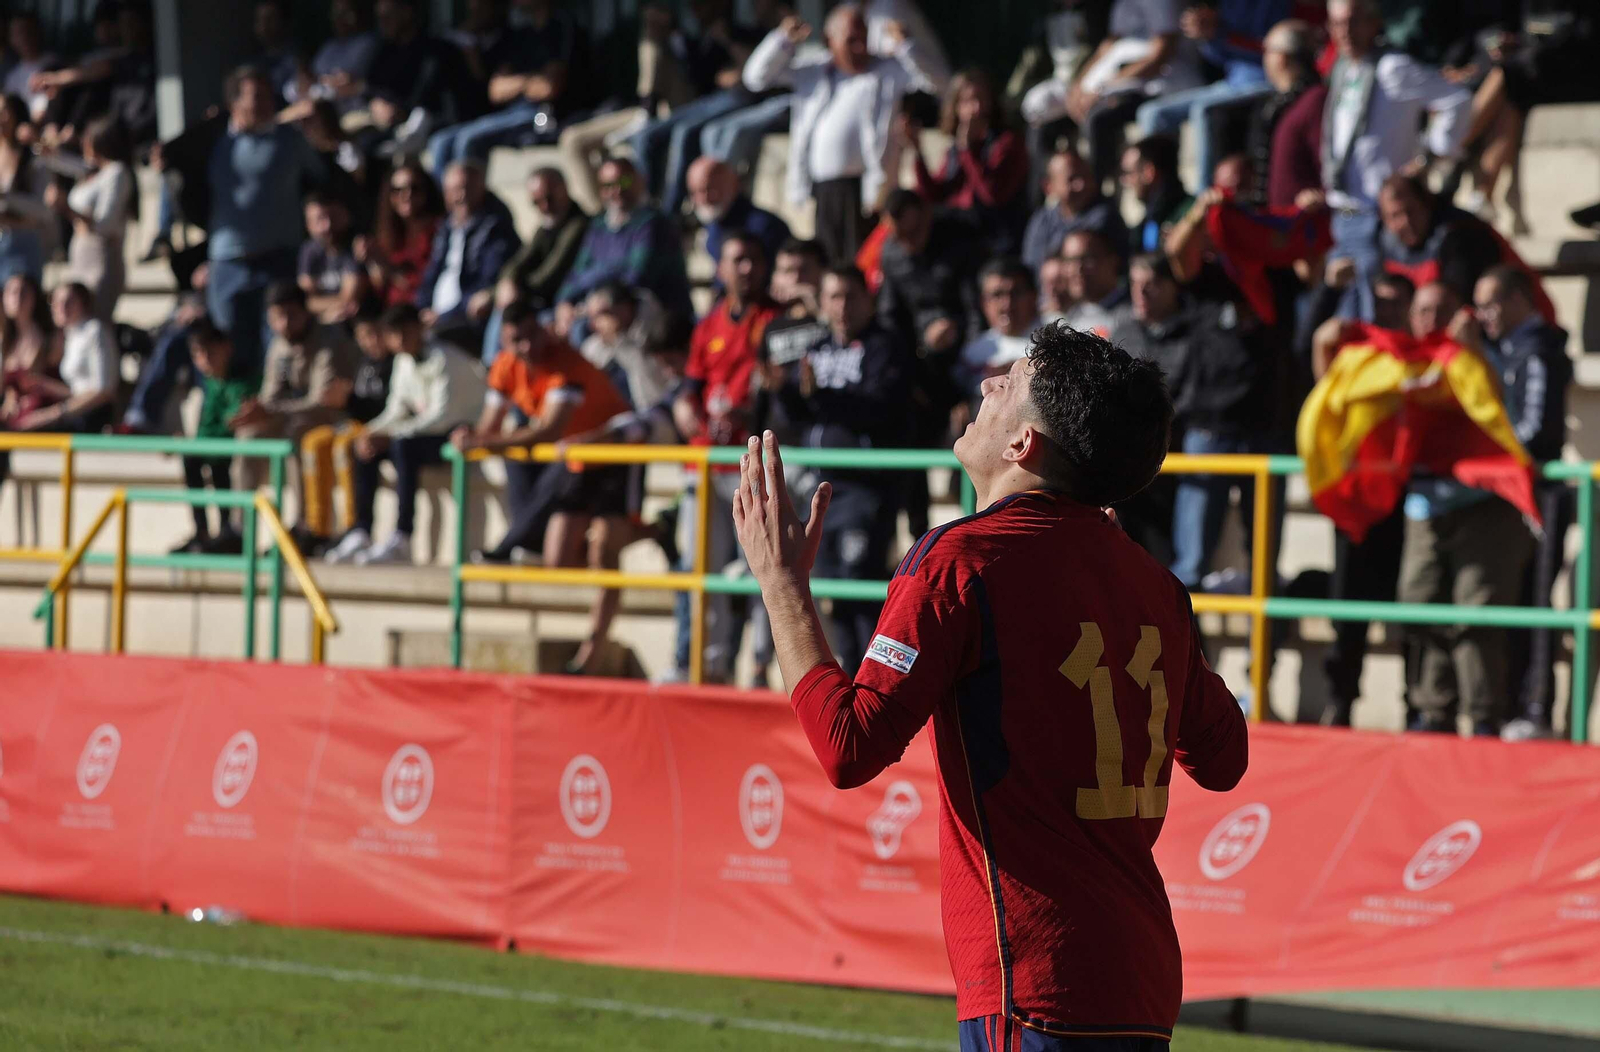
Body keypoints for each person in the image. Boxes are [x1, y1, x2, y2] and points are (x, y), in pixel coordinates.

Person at [732, 323, 1246, 1050]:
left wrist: (782, 585)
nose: (985, 384)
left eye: (1010, 381)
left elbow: (847, 747)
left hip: (1035, 980)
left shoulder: (961, 560)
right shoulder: (1154, 583)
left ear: (1023, 445)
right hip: (1143, 980)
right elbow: (1226, 761)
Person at [452, 300, 633, 672]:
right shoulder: (506, 367)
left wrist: (481, 442)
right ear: (504, 340)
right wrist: (469, 437)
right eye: (518, 339)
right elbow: (491, 430)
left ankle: (591, 654)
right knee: (559, 559)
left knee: (604, 547)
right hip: (575, 462)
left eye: (534, 334)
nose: (529, 346)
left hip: (612, 457)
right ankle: (647, 530)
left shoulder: (566, 362)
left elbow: (548, 430)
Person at [1395, 281, 1533, 736]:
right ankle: (1432, 716)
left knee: (1477, 617)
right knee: (1420, 609)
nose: (1431, 321)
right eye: (1422, 311)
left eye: (1442, 310)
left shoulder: (1482, 361)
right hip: (1424, 508)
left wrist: (1469, 352)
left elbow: (1501, 419)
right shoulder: (1398, 365)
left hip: (1484, 508)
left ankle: (1483, 721)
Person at [775, 264, 912, 672]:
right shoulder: (815, 348)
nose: (842, 306)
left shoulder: (886, 347)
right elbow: (799, 416)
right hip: (823, 489)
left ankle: (874, 685)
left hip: (867, 488)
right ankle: (850, 679)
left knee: (862, 589)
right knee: (833, 591)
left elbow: (879, 408)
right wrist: (783, 390)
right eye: (833, 296)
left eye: (850, 296)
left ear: (868, 300)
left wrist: (821, 397)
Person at [1458, 267, 1572, 742]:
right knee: (1514, 601)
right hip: (1513, 496)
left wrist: (1489, 454)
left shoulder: (1538, 349)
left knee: (1537, 602)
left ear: (1516, 301)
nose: (1482, 316)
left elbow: (1536, 435)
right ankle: (1513, 706)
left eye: (1489, 305)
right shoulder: (1505, 351)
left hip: (1540, 496)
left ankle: (1536, 709)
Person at [742, 5, 938, 264]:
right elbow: (755, 78)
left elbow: (938, 82)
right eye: (850, 41)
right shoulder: (812, 71)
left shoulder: (888, 70)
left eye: (864, 38)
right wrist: (781, 40)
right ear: (828, 41)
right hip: (824, 192)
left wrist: (907, 46)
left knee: (865, 266)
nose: (860, 48)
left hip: (868, 194)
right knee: (829, 266)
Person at [670, 231, 781, 682]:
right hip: (704, 463)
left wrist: (748, 407)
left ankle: (761, 667)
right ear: (721, 269)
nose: (747, 268)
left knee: (763, 570)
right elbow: (690, 388)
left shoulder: (777, 321)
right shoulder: (708, 323)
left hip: (751, 464)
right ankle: (707, 665)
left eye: (755, 259)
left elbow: (776, 387)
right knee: (700, 569)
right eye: (739, 259)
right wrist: (686, 412)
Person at [1316, 0, 1470, 322]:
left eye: (1354, 22)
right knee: (1338, 326)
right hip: (1341, 217)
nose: (1345, 32)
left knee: (1372, 319)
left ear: (1374, 24)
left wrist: (1428, 155)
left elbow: (1457, 100)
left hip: (1378, 215)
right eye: (1337, 24)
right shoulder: (1343, 70)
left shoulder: (1393, 68)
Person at [1116, 252, 1262, 589]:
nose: (1142, 294)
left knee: (1183, 566)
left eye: (1151, 285)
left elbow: (1182, 393)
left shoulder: (1199, 327)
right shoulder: (1123, 327)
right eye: (1136, 285)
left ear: (1172, 288)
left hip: (1177, 459)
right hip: (1135, 475)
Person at [176, 64, 327, 375]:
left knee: (277, 349)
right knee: (228, 351)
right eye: (256, 97)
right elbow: (187, 190)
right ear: (234, 103)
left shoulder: (291, 140)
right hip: (227, 263)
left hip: (279, 260)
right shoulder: (212, 143)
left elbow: (323, 179)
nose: (265, 104)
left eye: (268, 96)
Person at [332, 303, 488, 566]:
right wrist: (371, 432)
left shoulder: (444, 358)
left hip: (455, 434)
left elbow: (442, 417)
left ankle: (403, 536)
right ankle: (361, 529)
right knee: (365, 446)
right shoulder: (403, 361)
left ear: (419, 328)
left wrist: (391, 436)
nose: (401, 339)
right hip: (421, 432)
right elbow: (396, 410)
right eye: (394, 334)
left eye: (406, 331)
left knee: (403, 447)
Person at [231, 282, 359, 549]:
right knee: (248, 436)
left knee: (300, 436)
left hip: (337, 418)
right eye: (278, 317)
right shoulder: (278, 346)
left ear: (305, 312)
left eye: (291, 314)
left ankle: (306, 526)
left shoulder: (330, 342)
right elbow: (271, 396)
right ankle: (240, 528)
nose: (285, 323)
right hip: (293, 417)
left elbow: (322, 402)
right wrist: (255, 413)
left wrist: (270, 411)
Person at [1133, 0, 1289, 190]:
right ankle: (1162, 200)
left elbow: (1271, 53)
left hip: (1264, 82)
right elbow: (1220, 59)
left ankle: (1203, 199)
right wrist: (1207, 36)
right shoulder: (1226, 5)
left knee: (1203, 110)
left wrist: (1221, 34)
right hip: (1233, 82)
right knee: (1152, 114)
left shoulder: (1272, 4)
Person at [425, 0, 585, 180]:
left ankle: (470, 206)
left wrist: (516, 83)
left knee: (468, 139)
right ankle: (441, 206)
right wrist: (531, 80)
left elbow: (549, 88)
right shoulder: (522, 33)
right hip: (512, 112)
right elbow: (495, 90)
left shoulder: (562, 26)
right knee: (440, 141)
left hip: (544, 116)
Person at [1375, 173, 1553, 320]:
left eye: (1411, 211)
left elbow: (1456, 309)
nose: (1406, 222)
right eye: (1395, 215)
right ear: (1384, 220)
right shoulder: (1385, 244)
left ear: (1426, 205)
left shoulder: (1462, 234)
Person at [1065, 0, 1203, 187]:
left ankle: (1094, 196)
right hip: (1130, 83)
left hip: (1165, 84)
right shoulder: (1121, 4)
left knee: (1099, 118)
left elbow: (1161, 53)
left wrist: (1102, 89)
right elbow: (1110, 43)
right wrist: (1079, 84)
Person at [553, 157, 692, 338]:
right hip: (599, 305)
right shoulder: (599, 226)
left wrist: (594, 284)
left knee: (584, 331)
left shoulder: (654, 224)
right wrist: (564, 301)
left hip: (656, 318)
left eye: (624, 181)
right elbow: (577, 272)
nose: (617, 190)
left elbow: (636, 276)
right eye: (608, 185)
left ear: (639, 180)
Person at [904, 68, 1029, 256]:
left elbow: (992, 194)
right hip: (960, 234)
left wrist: (969, 150)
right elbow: (935, 194)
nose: (976, 108)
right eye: (968, 101)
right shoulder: (956, 150)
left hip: (995, 236)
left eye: (981, 99)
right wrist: (917, 152)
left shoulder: (1007, 143)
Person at [307, 306, 396, 561]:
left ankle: (352, 525)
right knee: (313, 443)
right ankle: (318, 527)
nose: (370, 342)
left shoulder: (394, 364)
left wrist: (349, 400)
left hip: (376, 429)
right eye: (364, 336)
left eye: (374, 334)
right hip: (356, 424)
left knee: (344, 447)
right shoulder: (364, 363)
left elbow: (386, 408)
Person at [173, 317, 259, 555]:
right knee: (192, 457)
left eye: (210, 351)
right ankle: (202, 531)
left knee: (218, 461)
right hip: (215, 447)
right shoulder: (210, 383)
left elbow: (232, 422)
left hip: (234, 450)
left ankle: (227, 530)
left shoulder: (241, 382)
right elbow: (208, 425)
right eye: (199, 354)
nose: (205, 359)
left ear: (226, 349)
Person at [415, 160, 521, 338]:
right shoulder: (446, 227)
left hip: (466, 319)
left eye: (468, 188)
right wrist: (421, 309)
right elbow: (431, 274)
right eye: (455, 190)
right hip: (435, 317)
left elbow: (487, 282)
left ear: (482, 189)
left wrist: (443, 316)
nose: (462, 196)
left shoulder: (495, 228)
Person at [45, 117, 136, 323]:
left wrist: (66, 209)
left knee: (94, 323)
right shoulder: (91, 171)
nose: (83, 143)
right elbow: (57, 159)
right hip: (80, 257)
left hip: (102, 260)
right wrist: (46, 142)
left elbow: (105, 225)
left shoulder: (117, 173)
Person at [13, 283, 116, 434]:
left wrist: (54, 413)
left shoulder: (95, 331)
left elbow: (103, 390)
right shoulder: (70, 336)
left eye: (68, 301)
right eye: (55, 302)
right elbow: (78, 389)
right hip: (74, 409)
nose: (61, 307)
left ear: (83, 303)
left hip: (93, 414)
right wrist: (46, 386)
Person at [1247, 19, 1325, 210]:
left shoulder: (1313, 99)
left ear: (1282, 57)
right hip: (1277, 220)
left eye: (1267, 50)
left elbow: (1324, 159)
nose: (1264, 58)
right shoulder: (1276, 104)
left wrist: (1321, 195)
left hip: (1303, 222)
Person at [1020, 148, 1128, 276]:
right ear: (1048, 186)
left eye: (1086, 176)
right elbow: (1032, 266)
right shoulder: (1041, 220)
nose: (1081, 184)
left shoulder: (1105, 217)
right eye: (1072, 179)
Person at [685, 156, 791, 283]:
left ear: (733, 184)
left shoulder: (764, 226)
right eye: (696, 192)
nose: (704, 198)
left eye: (710, 189)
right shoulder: (713, 225)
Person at [954, 258, 1041, 412]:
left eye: (1016, 293)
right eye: (997, 294)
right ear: (983, 302)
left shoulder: (1054, 340)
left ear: (1033, 296)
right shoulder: (973, 353)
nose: (1007, 304)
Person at [360, 161, 444, 309]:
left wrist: (387, 267)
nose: (407, 195)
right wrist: (372, 264)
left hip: (421, 311)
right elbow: (380, 289)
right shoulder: (387, 233)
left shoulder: (438, 231)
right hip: (390, 313)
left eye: (415, 188)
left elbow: (423, 284)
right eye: (397, 190)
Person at [0, 93, 54, 284]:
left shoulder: (32, 158)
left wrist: (7, 197)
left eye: (4, 111)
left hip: (23, 245)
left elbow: (43, 208)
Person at [298, 192, 366, 324]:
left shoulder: (356, 246)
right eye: (320, 219)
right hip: (323, 323)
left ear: (345, 215)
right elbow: (304, 300)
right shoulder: (308, 251)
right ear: (309, 225)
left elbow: (349, 300)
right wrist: (325, 316)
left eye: (333, 217)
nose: (327, 226)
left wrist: (318, 307)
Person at [1121, 135, 1191, 258]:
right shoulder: (1145, 226)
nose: (1125, 181)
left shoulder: (1190, 215)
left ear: (1149, 172)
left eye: (1129, 173)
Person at [1056, 228, 1127, 336]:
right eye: (1070, 260)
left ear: (1113, 261)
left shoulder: (1135, 314)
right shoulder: (1067, 318)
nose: (1078, 269)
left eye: (1087, 259)